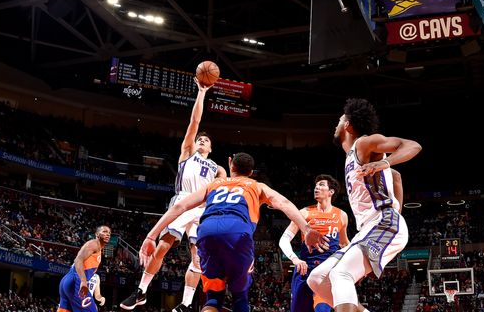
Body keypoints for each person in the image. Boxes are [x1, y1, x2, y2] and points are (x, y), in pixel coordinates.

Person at [139, 152, 328, 312]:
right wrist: (306, 227)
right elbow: (283, 203)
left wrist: (151, 236)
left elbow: (180, 206)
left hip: (207, 232)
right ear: (251, 173)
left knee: (213, 298)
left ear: (230, 163)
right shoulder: (257, 186)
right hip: (237, 232)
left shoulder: (215, 184)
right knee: (240, 297)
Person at [121, 78, 227, 312]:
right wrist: (201, 93)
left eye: (206, 140)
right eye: (200, 138)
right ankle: (141, 291)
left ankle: (187, 304)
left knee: (198, 256)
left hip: (203, 209)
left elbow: (223, 188)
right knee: (163, 246)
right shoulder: (187, 154)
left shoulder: (217, 168)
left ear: (211, 148)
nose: (202, 140)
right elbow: (195, 121)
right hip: (183, 201)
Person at [307, 98, 421, 312]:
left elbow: (412, 145)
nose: (336, 124)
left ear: (348, 125)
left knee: (341, 274)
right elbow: (395, 177)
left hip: (383, 221)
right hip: (367, 228)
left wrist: (384, 163)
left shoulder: (364, 143)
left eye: (340, 119)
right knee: (317, 278)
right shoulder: (350, 156)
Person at [279, 175, 349, 312]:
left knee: (322, 309)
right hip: (304, 269)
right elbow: (284, 239)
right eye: (316, 185)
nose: (317, 187)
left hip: (327, 271)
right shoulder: (304, 213)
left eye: (321, 185)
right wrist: (295, 259)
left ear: (331, 191)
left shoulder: (341, 215)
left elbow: (345, 244)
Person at [57, 226, 112, 312]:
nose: (108, 234)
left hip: (68, 281)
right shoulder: (94, 244)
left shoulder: (98, 249)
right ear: (97, 234)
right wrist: (83, 281)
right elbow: (78, 260)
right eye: (104, 231)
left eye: (109, 233)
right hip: (76, 281)